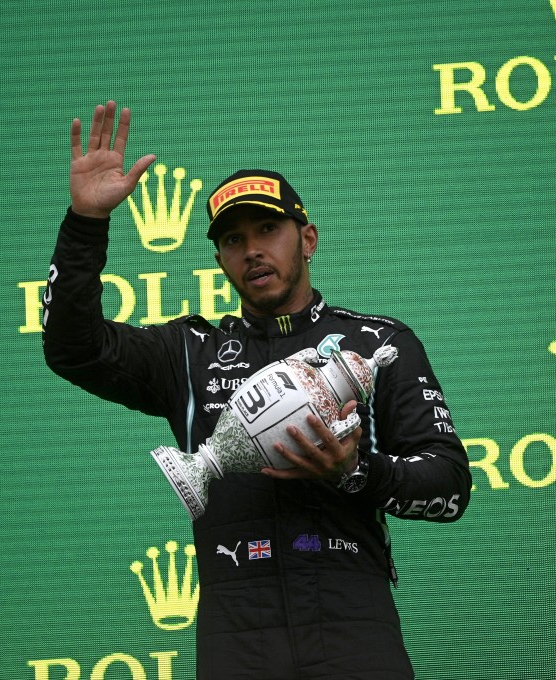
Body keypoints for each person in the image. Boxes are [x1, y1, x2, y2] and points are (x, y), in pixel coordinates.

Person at [42, 101, 472, 679]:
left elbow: (449, 485)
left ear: (308, 238)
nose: (252, 250)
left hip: (353, 621)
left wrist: (356, 471)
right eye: (233, 240)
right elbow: (73, 348)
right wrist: (85, 224)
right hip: (236, 631)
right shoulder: (187, 353)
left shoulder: (377, 344)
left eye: (269, 229)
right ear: (219, 258)